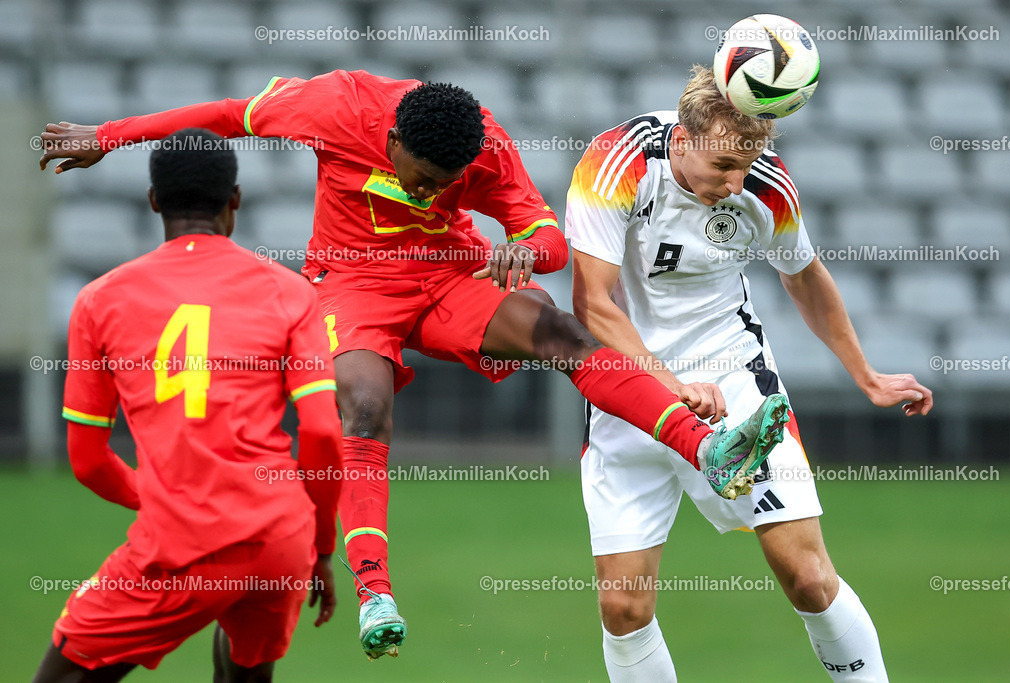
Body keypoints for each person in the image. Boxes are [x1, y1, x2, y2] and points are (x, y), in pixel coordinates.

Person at [40, 70, 789, 660]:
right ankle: (375, 594)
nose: (426, 189)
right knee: (360, 403)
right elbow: (225, 113)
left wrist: (524, 251)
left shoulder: (485, 145)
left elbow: (548, 236)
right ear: (392, 135)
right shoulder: (336, 105)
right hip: (352, 283)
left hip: (445, 275)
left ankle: (709, 449)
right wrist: (106, 137)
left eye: (440, 182)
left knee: (559, 330)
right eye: (417, 175)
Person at [565, 65, 934, 682]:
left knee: (810, 579)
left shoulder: (764, 186)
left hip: (736, 381)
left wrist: (865, 374)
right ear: (681, 143)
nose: (736, 184)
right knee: (623, 605)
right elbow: (593, 304)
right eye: (722, 169)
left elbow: (804, 275)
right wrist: (670, 387)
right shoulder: (615, 164)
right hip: (628, 388)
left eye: (745, 166)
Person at [32, 128, 343, 682]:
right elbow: (320, 431)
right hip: (280, 538)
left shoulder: (100, 300)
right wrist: (319, 546)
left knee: (65, 674)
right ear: (236, 200)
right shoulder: (291, 291)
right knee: (245, 670)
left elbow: (87, 460)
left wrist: (163, 500)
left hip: (180, 542)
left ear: (154, 201)